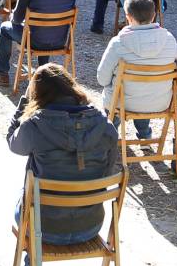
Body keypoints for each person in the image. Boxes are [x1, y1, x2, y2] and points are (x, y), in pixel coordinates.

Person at [7, 64, 120, 248]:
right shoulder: (104, 126)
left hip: (44, 227)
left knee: (27, 194)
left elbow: (12, 142)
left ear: (39, 95)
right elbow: (106, 173)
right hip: (90, 225)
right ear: (71, 86)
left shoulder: (35, 126)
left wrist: (24, 104)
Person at [96, 0, 177, 140]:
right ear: (154, 15)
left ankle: (110, 136)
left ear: (128, 17)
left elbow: (102, 79)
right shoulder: (169, 40)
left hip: (124, 102)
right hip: (160, 101)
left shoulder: (118, 43)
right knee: (146, 86)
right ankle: (145, 135)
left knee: (120, 91)